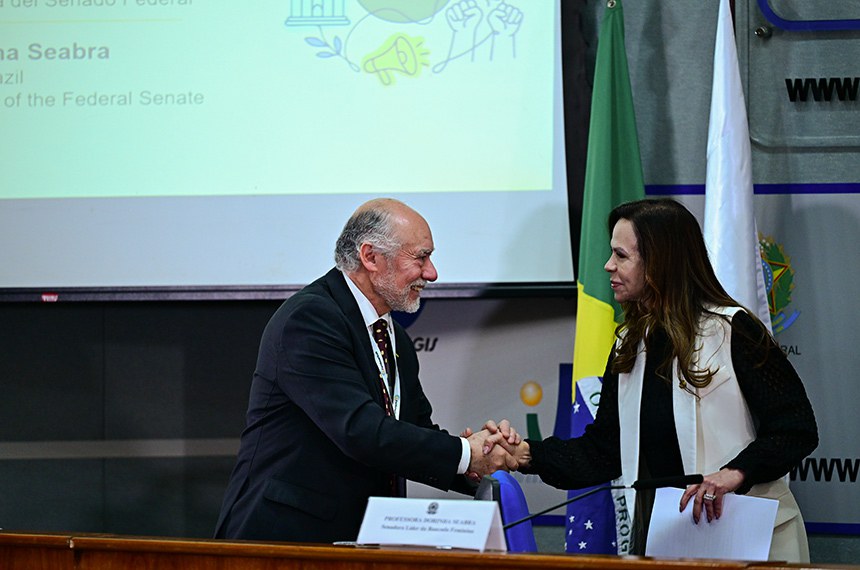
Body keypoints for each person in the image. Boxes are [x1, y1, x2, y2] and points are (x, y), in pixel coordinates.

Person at [496, 198, 818, 561]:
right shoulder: (629, 343)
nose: (608, 265)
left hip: (749, 543)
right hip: (670, 545)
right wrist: (525, 454)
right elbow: (602, 452)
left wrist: (736, 473)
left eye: (621, 255)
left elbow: (796, 428)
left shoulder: (734, 330)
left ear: (658, 263)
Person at [214, 198, 518, 543]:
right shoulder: (310, 319)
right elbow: (360, 430)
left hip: (359, 540)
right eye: (421, 257)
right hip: (284, 540)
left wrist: (474, 463)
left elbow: (412, 430)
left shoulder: (394, 337)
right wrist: (465, 454)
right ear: (370, 257)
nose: (431, 273)